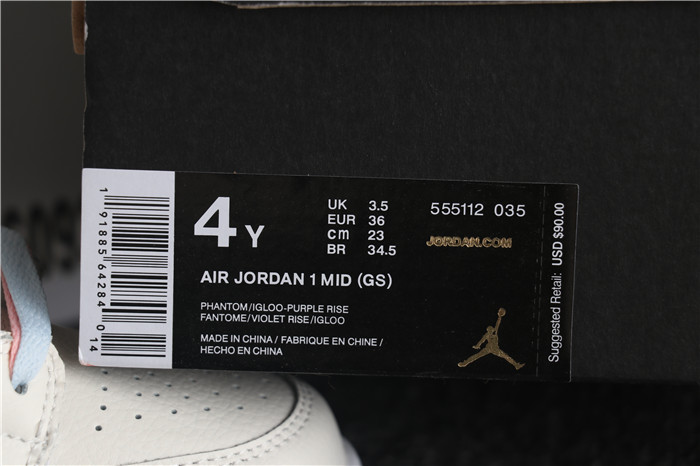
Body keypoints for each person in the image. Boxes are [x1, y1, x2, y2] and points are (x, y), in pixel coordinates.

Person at [457, 308, 524, 370]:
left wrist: (499, 317)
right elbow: (481, 341)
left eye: (491, 329)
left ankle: (516, 365)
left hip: (495, 349)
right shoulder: (487, 335)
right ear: (488, 330)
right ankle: (464, 363)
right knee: (476, 356)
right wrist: (477, 346)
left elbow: (497, 324)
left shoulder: (494, 332)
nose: (490, 330)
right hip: (488, 348)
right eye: (489, 329)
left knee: (506, 356)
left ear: (492, 329)